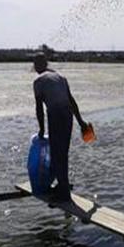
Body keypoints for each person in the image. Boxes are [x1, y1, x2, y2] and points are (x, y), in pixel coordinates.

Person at [33, 52, 89, 203]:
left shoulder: (38, 81)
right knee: (62, 152)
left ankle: (64, 193)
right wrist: (81, 122)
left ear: (37, 66)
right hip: (67, 116)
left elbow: (39, 108)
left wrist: (41, 129)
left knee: (57, 153)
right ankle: (62, 186)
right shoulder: (60, 77)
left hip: (56, 115)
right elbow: (71, 101)